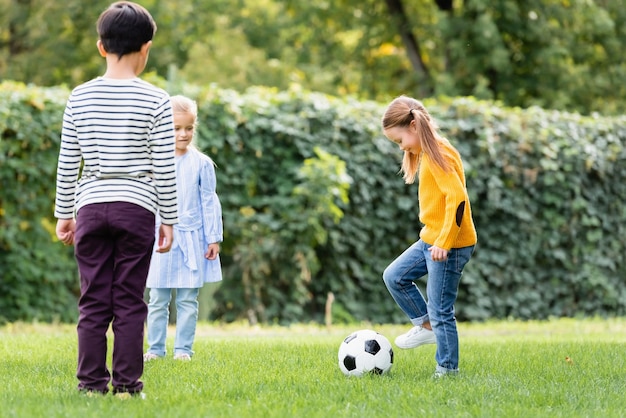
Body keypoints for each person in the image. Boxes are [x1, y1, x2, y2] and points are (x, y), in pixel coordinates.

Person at [54, 1, 178, 397]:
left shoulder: (79, 97)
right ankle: (128, 385)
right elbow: (164, 166)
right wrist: (169, 219)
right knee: (129, 300)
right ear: (146, 48)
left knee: (92, 301)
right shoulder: (156, 99)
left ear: (100, 47)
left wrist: (64, 214)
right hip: (137, 209)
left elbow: (68, 161)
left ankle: (91, 385)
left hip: (89, 207)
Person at [380, 95, 477, 378]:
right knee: (394, 276)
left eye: (400, 141)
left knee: (441, 309)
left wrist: (444, 243)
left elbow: (458, 200)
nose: (402, 147)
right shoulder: (426, 152)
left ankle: (447, 371)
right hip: (430, 239)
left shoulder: (439, 153)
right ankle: (426, 327)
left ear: (413, 125)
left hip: (450, 244)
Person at [143, 95, 223, 362]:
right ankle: (155, 349)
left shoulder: (202, 164)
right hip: (160, 240)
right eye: (176, 128)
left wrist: (213, 237)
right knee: (157, 297)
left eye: (189, 128)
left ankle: (183, 350)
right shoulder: (154, 162)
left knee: (188, 299)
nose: (183, 134)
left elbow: (209, 201)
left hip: (192, 238)